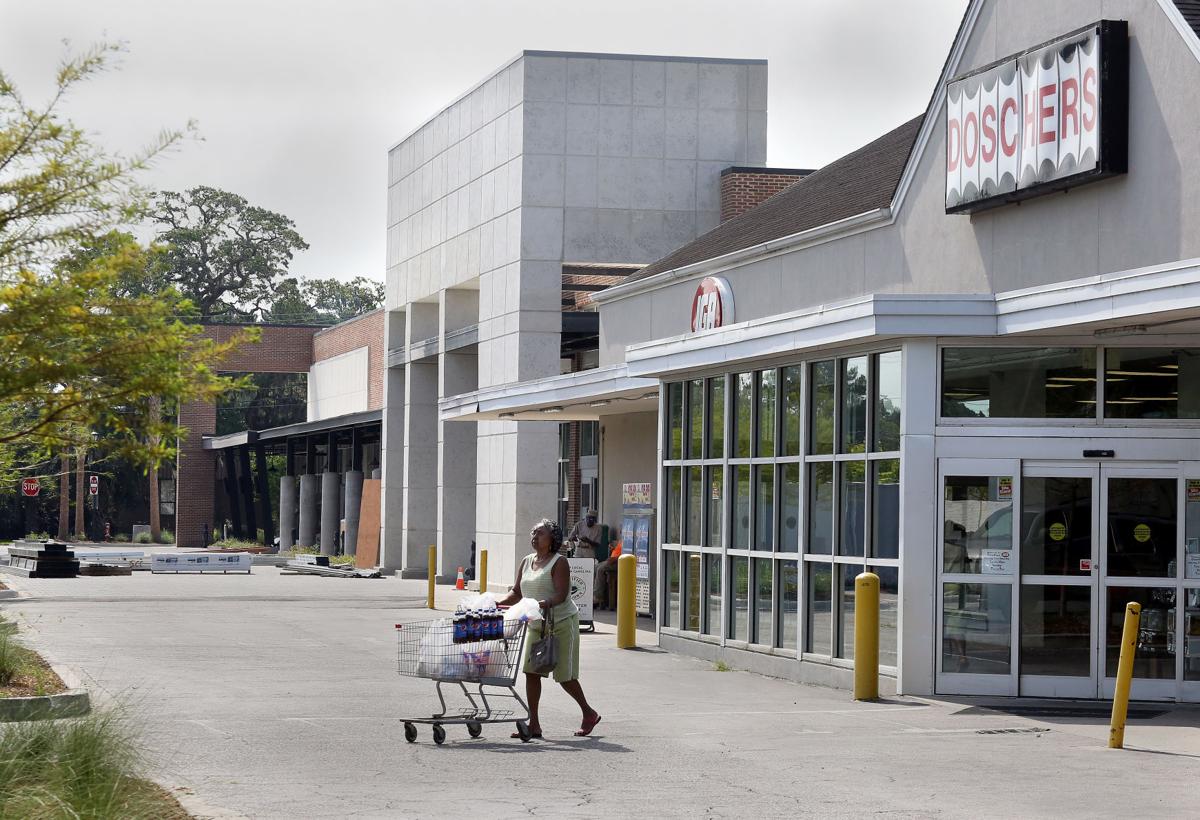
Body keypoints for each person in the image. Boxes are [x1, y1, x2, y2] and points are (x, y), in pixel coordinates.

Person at [497, 518, 601, 738]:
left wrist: (542, 603)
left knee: (564, 676)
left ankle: (588, 712)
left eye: (540, 533)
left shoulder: (559, 562)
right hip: (536, 623)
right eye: (533, 531)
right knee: (531, 672)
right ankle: (534, 724)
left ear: (552, 539)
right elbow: (517, 592)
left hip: (562, 623)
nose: (534, 535)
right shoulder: (526, 561)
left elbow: (561, 594)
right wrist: (498, 603)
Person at [594, 537, 622, 610]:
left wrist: (615, 558)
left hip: (619, 562)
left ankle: (598, 596)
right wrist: (612, 550)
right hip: (612, 560)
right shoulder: (621, 540)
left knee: (600, 569)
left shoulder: (630, 541)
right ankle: (593, 593)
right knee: (594, 567)